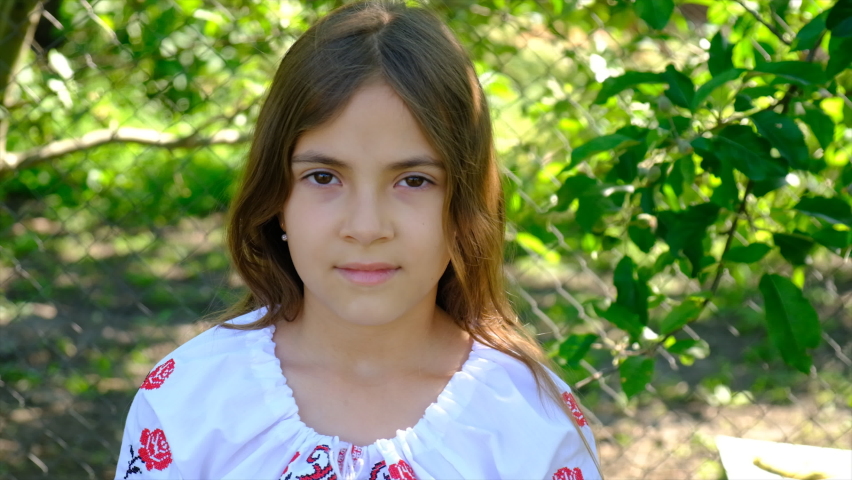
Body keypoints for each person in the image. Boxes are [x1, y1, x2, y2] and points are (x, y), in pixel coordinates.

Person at [115, 1, 602, 479]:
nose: (366, 227)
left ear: (463, 206)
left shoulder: (528, 423)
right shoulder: (190, 400)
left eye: (413, 180)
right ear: (276, 197)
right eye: (324, 177)